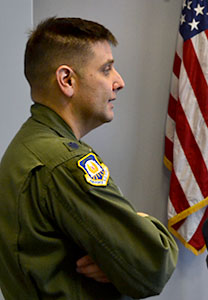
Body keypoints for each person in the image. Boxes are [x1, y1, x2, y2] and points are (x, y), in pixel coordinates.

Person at [0, 17, 178, 300]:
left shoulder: (29, 146)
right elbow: (154, 265)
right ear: (67, 80)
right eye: (107, 69)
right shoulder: (64, 164)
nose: (119, 82)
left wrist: (118, 259)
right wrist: (143, 227)